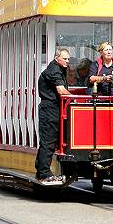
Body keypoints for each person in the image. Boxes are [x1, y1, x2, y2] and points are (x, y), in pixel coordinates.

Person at [35, 48, 72, 185]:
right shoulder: (54, 70)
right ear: (57, 58)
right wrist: (74, 99)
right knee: (48, 142)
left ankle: (41, 171)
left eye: (68, 59)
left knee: (48, 141)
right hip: (49, 109)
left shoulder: (58, 69)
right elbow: (61, 90)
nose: (67, 61)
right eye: (65, 58)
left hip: (52, 109)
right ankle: (44, 173)